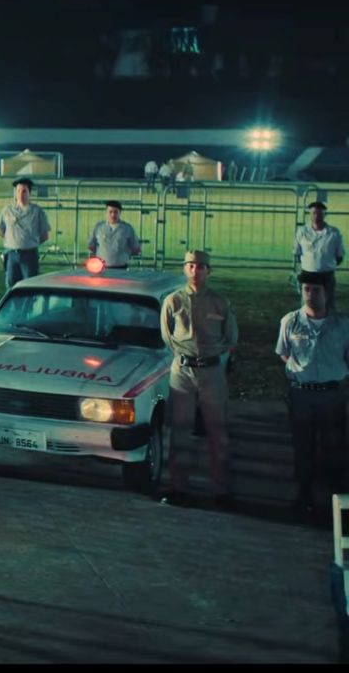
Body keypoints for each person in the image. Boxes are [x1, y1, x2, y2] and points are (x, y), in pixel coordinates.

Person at [159, 251, 239, 509]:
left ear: (209, 272)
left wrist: (210, 355)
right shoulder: (173, 301)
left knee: (218, 432)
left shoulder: (220, 303)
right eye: (191, 266)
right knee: (180, 431)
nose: (196, 271)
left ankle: (221, 491)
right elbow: (167, 336)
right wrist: (187, 355)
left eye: (201, 267)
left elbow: (230, 337)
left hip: (212, 373)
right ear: (184, 269)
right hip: (182, 372)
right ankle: (177, 487)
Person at [276, 270, 349, 521]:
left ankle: (337, 502)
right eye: (306, 289)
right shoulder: (290, 321)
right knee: (302, 447)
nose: (310, 294)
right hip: (302, 395)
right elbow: (284, 352)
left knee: (334, 447)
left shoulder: (343, 325)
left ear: (328, 292)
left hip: (332, 394)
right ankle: (304, 495)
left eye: (316, 290)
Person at [0, 177, 49, 289]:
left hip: (29, 256)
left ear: (30, 193)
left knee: (30, 287)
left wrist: (30, 243)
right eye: (18, 191)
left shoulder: (37, 212)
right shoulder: (7, 210)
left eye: (24, 191)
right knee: (11, 286)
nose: (21, 194)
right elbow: (1, 230)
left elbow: (44, 235)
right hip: (11, 255)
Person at [295, 202, 344, 311]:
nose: (316, 216)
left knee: (328, 305)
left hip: (326, 276)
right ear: (310, 214)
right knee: (306, 306)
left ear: (324, 215)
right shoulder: (302, 232)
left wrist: (325, 265)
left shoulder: (334, 233)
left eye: (319, 214)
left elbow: (339, 256)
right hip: (307, 275)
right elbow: (297, 253)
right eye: (313, 213)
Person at [88, 200, 142, 270]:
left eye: (116, 212)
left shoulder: (127, 228)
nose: (113, 215)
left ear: (120, 213)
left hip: (121, 268)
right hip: (101, 269)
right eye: (110, 212)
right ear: (106, 213)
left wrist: (124, 255)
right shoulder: (99, 227)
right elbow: (91, 246)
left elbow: (136, 248)